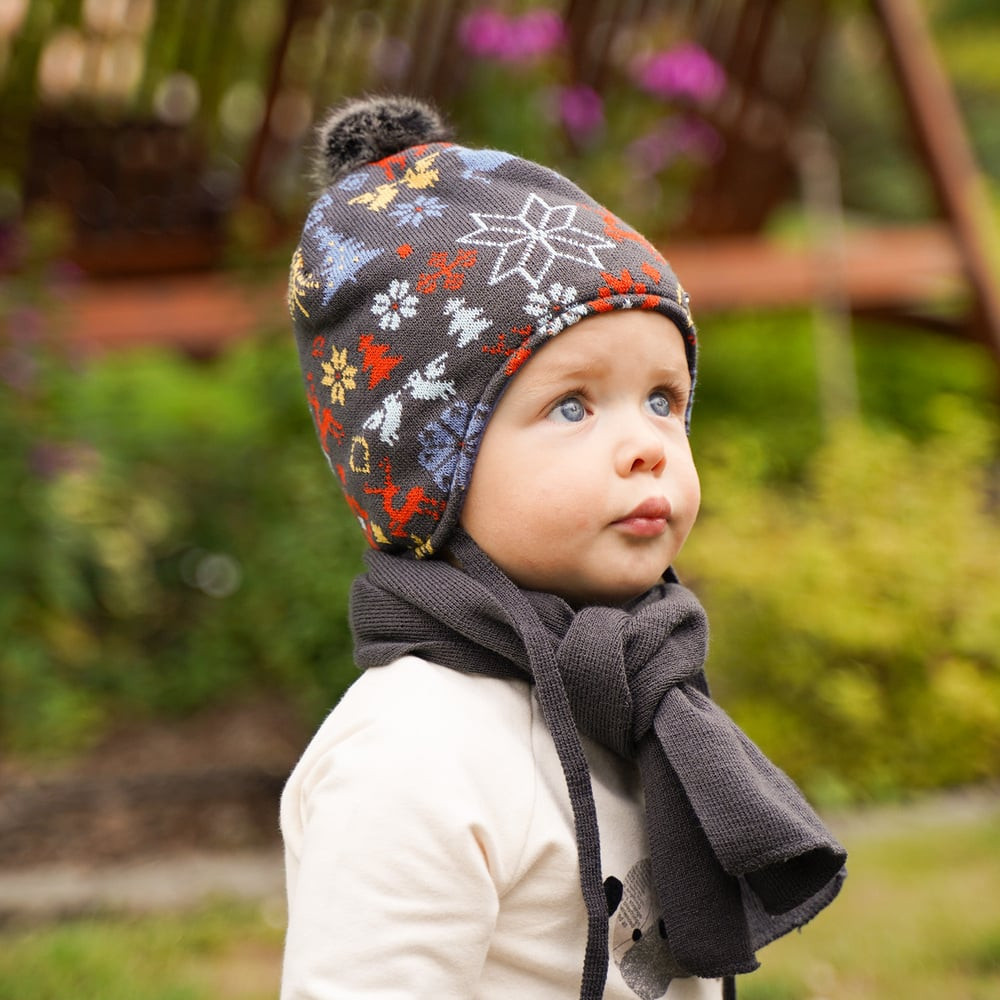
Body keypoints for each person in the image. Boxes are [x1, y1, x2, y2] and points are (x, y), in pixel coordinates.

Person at [280, 95, 846, 1000]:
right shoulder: (413, 752)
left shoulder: (631, 695)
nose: (648, 442)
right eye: (572, 406)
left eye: (663, 398)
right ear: (434, 471)